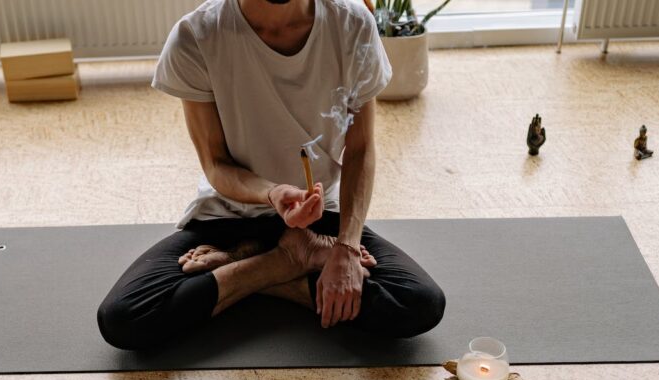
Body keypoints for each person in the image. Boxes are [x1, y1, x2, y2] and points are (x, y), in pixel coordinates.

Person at [97, 0, 446, 350]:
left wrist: (347, 246)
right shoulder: (196, 35)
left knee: (417, 303)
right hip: (228, 217)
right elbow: (216, 163)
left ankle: (244, 271)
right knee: (124, 318)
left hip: (319, 217)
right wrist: (272, 195)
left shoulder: (352, 24)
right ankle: (286, 261)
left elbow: (360, 149)